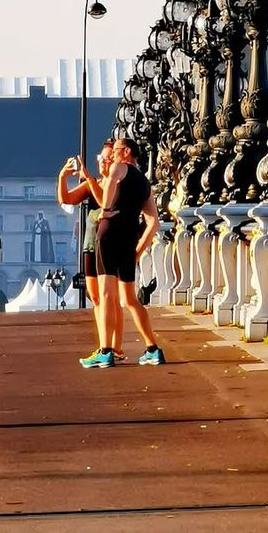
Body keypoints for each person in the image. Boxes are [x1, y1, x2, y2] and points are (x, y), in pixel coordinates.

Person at [80, 137, 165, 368]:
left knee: (107, 294)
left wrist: (105, 210)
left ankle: (105, 351)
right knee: (130, 298)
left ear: (126, 152)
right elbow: (153, 223)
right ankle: (152, 349)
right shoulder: (144, 183)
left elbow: (111, 181)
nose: (112, 156)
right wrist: (137, 251)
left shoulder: (120, 167)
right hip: (129, 239)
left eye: (116, 150)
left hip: (109, 235)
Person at [58, 141, 124, 360]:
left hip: (110, 243)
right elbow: (66, 199)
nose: (103, 162)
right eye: (101, 158)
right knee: (95, 297)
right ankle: (104, 343)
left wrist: (89, 179)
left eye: (108, 158)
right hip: (90, 243)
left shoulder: (115, 183)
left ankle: (115, 347)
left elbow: (105, 202)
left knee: (111, 297)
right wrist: (63, 177)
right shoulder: (93, 183)